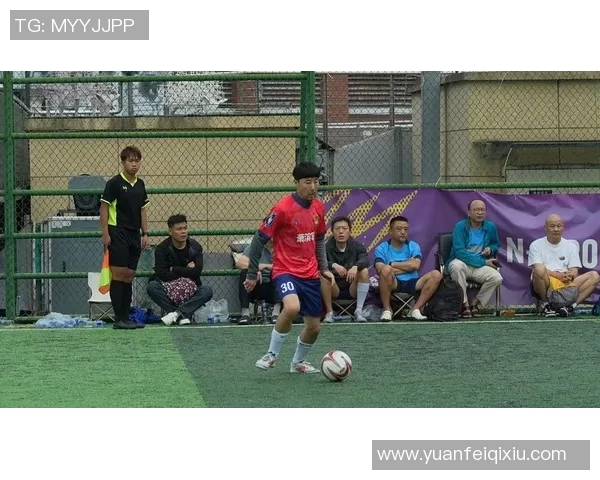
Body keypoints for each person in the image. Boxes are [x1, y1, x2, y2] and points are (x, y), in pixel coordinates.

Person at [244, 161, 335, 374]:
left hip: (310, 274)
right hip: (285, 271)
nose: (313, 187)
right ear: (296, 183)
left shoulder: (318, 207)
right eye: (307, 182)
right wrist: (252, 274)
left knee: (314, 327)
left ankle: (298, 362)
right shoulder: (282, 209)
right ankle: (271, 355)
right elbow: (258, 241)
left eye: (316, 182)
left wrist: (324, 268)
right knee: (292, 307)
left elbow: (319, 239)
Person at [100, 146, 150, 330]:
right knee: (119, 275)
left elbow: (142, 210)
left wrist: (145, 233)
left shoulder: (140, 184)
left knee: (129, 276)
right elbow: (104, 208)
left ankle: (127, 317)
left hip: (134, 234)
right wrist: (106, 233)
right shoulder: (114, 183)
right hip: (117, 232)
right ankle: (119, 318)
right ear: (123, 162)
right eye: (130, 160)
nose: (134, 164)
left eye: (137, 160)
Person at [146, 214, 214, 325]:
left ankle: (176, 314)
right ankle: (182, 314)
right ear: (170, 231)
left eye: (185, 228)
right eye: (179, 229)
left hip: (190, 286)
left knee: (207, 291)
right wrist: (186, 270)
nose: (183, 232)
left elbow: (196, 273)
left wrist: (174, 269)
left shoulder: (195, 247)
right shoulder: (162, 249)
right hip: (168, 286)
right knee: (152, 287)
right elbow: (163, 274)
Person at [528, 213, 600, 317]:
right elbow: (537, 268)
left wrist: (570, 275)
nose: (556, 229)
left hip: (565, 283)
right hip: (547, 282)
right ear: (545, 228)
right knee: (539, 269)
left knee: (594, 276)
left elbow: (574, 269)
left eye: (559, 226)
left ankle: (570, 307)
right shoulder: (536, 245)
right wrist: (558, 275)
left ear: (563, 227)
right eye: (552, 226)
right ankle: (546, 305)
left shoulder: (571, 245)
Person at [374, 216, 442, 321]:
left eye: (406, 229)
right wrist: (407, 266)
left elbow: (415, 266)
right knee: (386, 270)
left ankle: (415, 310)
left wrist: (392, 264)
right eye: (399, 229)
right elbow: (380, 269)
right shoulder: (381, 248)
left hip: (413, 282)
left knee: (436, 275)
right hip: (393, 282)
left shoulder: (413, 246)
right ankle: (387, 310)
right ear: (390, 231)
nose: (403, 232)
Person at [446, 199, 503, 317]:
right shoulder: (460, 226)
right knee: (455, 266)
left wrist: (490, 249)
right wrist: (484, 262)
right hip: (463, 263)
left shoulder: (490, 226)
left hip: (479, 266)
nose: (480, 213)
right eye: (476, 210)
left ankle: (475, 304)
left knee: (497, 278)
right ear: (468, 212)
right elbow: (460, 252)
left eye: (482, 210)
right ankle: (464, 305)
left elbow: (495, 244)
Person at [321, 216, 370, 323]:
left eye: (344, 228)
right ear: (332, 231)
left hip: (352, 286)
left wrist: (356, 266)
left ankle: (359, 311)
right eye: (337, 229)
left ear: (350, 230)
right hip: (334, 287)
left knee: (364, 271)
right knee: (323, 275)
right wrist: (333, 265)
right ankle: (329, 313)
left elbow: (365, 259)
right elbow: (318, 261)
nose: (341, 232)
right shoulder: (326, 247)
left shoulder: (357, 246)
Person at [235, 239, 281, 325]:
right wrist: (254, 270)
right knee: (245, 272)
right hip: (256, 284)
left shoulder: (284, 246)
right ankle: (245, 315)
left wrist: (266, 266)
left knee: (278, 272)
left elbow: (288, 266)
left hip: (275, 286)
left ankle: (276, 314)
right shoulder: (256, 246)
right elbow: (240, 263)